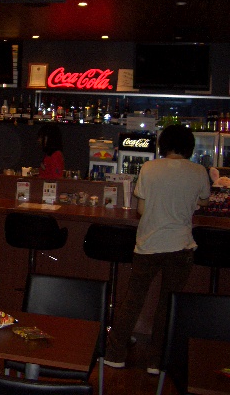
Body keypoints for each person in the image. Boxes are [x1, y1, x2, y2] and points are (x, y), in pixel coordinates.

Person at [104, 124, 210, 374]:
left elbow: (141, 210)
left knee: (133, 300)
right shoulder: (198, 171)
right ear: (189, 147)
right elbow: (204, 201)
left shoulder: (149, 168)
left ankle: (115, 355)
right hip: (181, 247)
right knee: (167, 304)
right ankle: (157, 362)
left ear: (164, 145)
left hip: (148, 245)